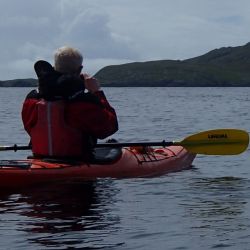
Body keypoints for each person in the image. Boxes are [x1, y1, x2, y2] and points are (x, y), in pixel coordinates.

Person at [22, 46, 118, 160]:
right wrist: (97, 92)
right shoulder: (83, 102)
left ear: (53, 68)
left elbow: (29, 128)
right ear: (79, 70)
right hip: (77, 161)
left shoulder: (32, 99)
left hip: (39, 159)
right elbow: (109, 128)